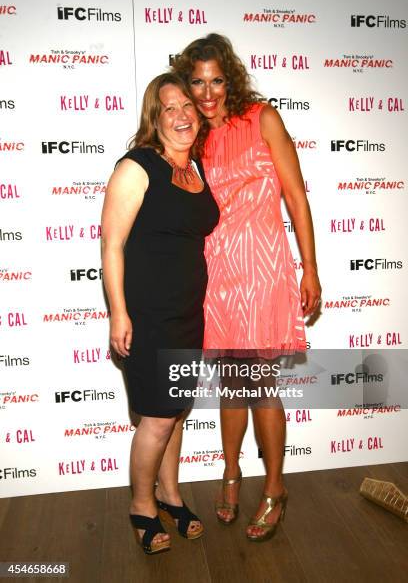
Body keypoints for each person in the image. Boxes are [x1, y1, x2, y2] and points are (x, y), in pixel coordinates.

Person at [172, 34, 321, 542]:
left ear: (229, 78)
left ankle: (276, 487)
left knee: (259, 384)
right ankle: (232, 474)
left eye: (216, 79)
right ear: (186, 84)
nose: (208, 92)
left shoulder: (262, 118)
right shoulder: (193, 137)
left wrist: (311, 268)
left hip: (262, 271)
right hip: (217, 273)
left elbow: (297, 198)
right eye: (198, 81)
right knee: (233, 384)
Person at [101, 73, 219, 554]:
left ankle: (171, 496)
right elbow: (112, 245)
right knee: (156, 418)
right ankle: (141, 506)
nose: (181, 114)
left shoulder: (198, 170)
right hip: (149, 315)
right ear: (155, 117)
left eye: (187, 105)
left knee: (175, 415)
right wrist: (118, 314)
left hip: (189, 312)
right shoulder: (138, 166)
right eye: (169, 107)